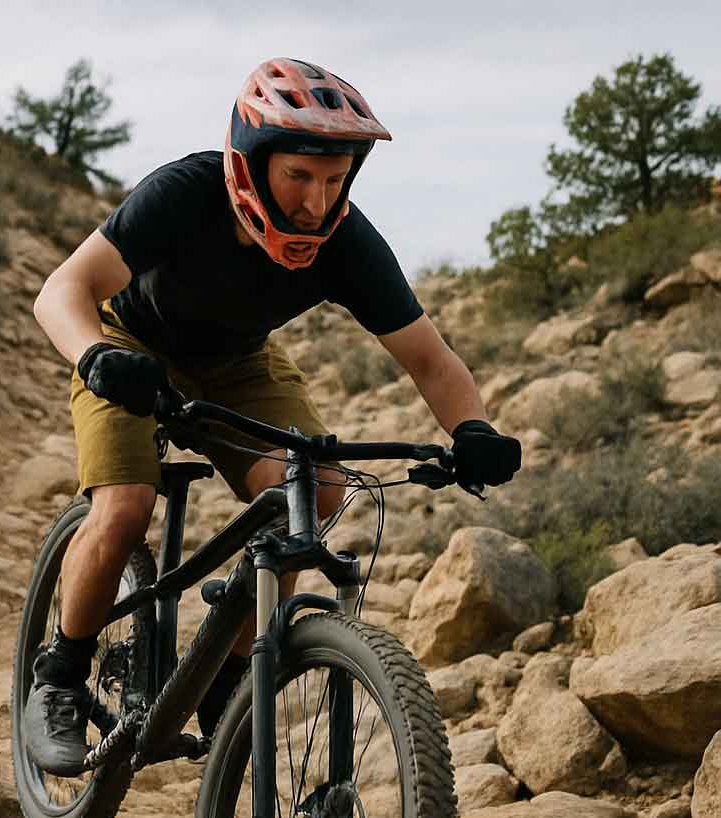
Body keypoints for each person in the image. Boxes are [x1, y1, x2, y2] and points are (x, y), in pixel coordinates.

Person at [29, 57, 522, 776]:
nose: (316, 202)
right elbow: (62, 289)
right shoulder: (183, 193)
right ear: (252, 165)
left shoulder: (347, 242)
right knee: (126, 505)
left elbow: (431, 361)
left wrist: (472, 430)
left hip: (238, 362)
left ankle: (226, 670)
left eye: (334, 179)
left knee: (313, 491)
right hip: (130, 344)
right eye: (299, 176)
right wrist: (96, 356)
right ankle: (61, 675)